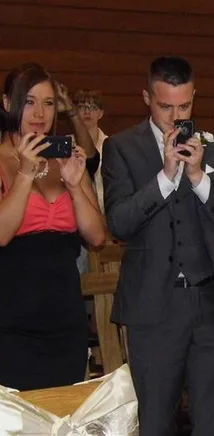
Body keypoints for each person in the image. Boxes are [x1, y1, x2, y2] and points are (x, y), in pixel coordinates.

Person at [102, 56, 214, 435]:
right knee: (155, 421)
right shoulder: (122, 148)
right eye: (165, 107)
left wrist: (199, 178)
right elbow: (118, 223)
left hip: (211, 305)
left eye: (184, 106)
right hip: (153, 307)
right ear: (146, 97)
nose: (176, 118)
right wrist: (165, 177)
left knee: (212, 422)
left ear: (194, 97)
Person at [0, 63, 106, 390]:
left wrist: (75, 185)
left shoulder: (65, 158)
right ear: (7, 103)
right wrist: (24, 174)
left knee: (64, 411)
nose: (40, 113)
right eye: (29, 102)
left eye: (48, 103)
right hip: (11, 321)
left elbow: (97, 236)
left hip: (66, 319)